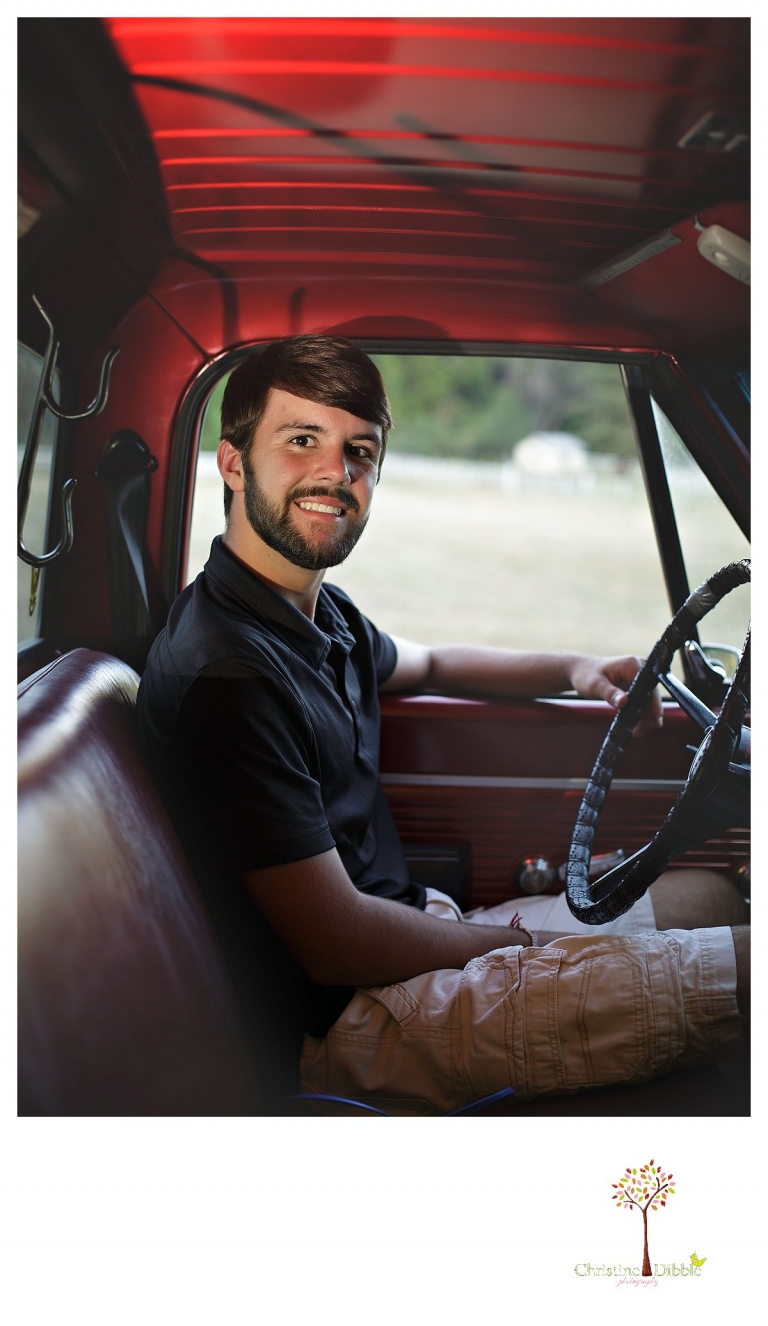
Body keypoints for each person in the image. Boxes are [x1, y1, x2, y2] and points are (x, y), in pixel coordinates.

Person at [137, 335, 749, 1115]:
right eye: (302, 442)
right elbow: (335, 944)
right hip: (359, 1023)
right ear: (232, 463)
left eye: (360, 451)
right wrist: (518, 945)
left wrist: (574, 669)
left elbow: (426, 665)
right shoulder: (229, 675)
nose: (337, 473)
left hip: (416, 936)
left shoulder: (313, 613)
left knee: (710, 900)